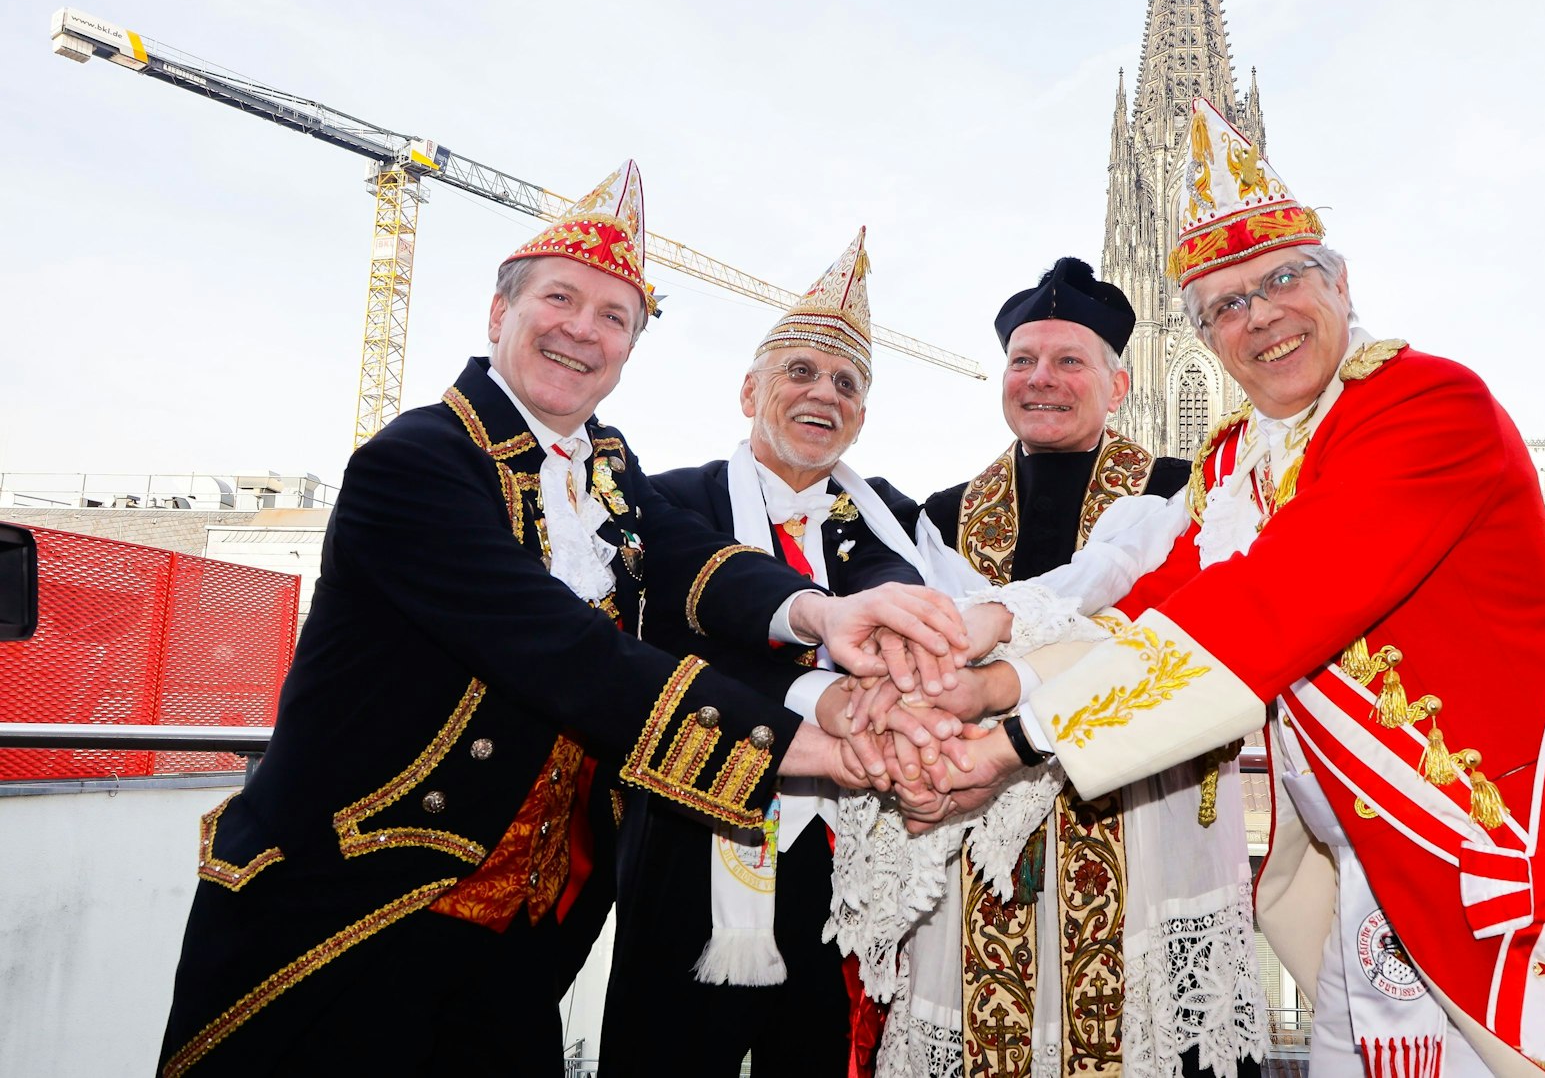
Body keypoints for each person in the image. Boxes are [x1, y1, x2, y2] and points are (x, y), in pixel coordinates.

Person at [886, 99, 1545, 1078]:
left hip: (1504, 875)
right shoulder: (1238, 452)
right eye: (1223, 305)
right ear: (1200, 337)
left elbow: (1264, 612)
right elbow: (1152, 602)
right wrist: (991, 691)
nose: (1258, 316)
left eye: (1279, 279)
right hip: (1370, 886)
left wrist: (1012, 744)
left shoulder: (1422, 407)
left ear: (1340, 282)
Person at [155, 164, 967, 1078]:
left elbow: (691, 557)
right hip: (353, 910)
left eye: (615, 317)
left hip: (524, 931)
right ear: (497, 312)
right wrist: (816, 745)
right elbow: (564, 650)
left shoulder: (607, 464)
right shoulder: (417, 461)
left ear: (628, 351)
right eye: (561, 298)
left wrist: (823, 609)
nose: (584, 328)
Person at [835, 258, 1267, 1077]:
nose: (1042, 380)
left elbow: (1175, 645)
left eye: (1070, 361)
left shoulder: (1185, 494)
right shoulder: (944, 514)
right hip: (975, 860)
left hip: (1145, 835)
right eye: (1023, 361)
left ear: (1119, 382)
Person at [600, 229, 953, 1078]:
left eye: (846, 383)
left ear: (862, 416)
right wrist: (823, 692)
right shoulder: (671, 498)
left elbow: (918, 620)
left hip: (845, 869)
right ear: (749, 388)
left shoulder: (892, 520)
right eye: (800, 372)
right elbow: (670, 644)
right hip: (689, 848)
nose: (822, 394)